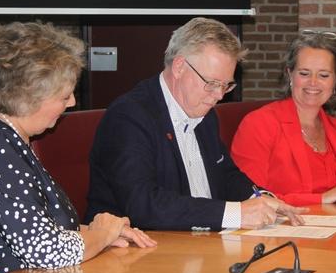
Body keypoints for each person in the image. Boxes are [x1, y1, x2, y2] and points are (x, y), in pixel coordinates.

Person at [0, 22, 156, 273]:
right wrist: (101, 234)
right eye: (63, 95)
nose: (71, 103)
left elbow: (29, 229)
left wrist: (101, 231)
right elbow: (47, 252)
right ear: (27, 97)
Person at [85, 17, 307, 231]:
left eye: (226, 85)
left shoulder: (204, 112)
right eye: (211, 83)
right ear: (180, 67)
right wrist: (236, 213)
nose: (219, 95)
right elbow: (144, 205)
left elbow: (226, 175)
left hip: (197, 245)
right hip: (136, 253)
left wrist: (262, 198)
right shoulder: (129, 116)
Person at [230, 31, 336, 207]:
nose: (313, 82)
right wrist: (321, 199)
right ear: (290, 74)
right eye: (304, 73)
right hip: (280, 230)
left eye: (324, 75)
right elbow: (250, 197)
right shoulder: (259, 124)